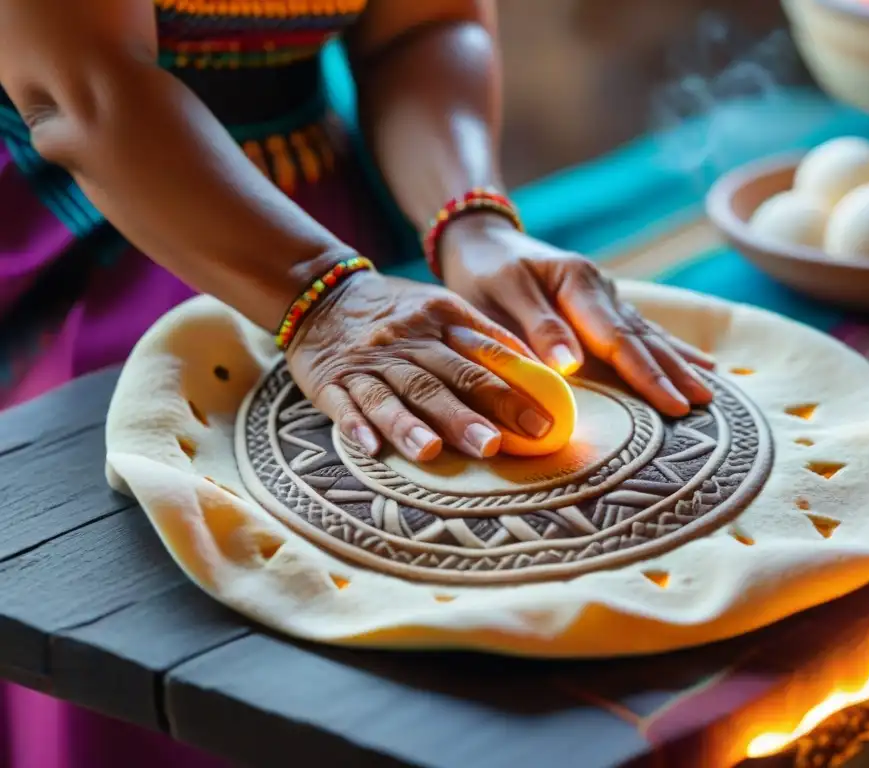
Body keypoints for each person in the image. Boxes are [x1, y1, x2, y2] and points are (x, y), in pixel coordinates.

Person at [0, 0, 715, 764]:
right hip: (97, 212)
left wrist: (470, 220)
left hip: (327, 215)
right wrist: (321, 296)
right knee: (156, 590)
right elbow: (83, 93)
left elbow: (424, 24)